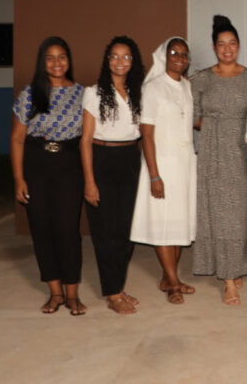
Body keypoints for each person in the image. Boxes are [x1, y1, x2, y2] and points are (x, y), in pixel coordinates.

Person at [191, 15, 247, 306]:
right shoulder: (201, 78)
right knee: (220, 214)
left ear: (239, 45)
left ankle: (238, 265)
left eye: (232, 43)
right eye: (221, 44)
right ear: (214, 47)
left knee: (242, 213)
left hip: (245, 151)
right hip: (214, 152)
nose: (227, 48)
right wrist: (217, 128)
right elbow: (194, 116)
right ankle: (227, 279)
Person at [10, 36, 86, 315]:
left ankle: (72, 294)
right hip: (36, 164)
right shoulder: (30, 94)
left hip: (69, 164)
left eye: (61, 57)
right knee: (41, 228)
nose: (57, 63)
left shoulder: (82, 94)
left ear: (69, 60)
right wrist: (19, 178)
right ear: (42, 62)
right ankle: (55, 293)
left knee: (67, 229)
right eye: (50, 58)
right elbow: (17, 138)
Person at [80, 36, 145, 314]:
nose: (120, 61)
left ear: (133, 61)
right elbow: (85, 140)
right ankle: (113, 293)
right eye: (115, 56)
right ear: (107, 61)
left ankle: (117, 285)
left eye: (126, 56)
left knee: (126, 231)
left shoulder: (137, 93)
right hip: (102, 158)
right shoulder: (93, 93)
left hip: (130, 158)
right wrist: (89, 180)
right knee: (105, 232)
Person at [130, 37, 198, 305]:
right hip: (162, 163)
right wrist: (154, 175)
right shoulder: (153, 88)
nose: (180, 58)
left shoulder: (188, 87)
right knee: (162, 222)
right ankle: (173, 283)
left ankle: (168, 277)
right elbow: (146, 135)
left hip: (185, 163)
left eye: (184, 54)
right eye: (174, 53)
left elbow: (193, 121)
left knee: (179, 222)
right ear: (164, 57)